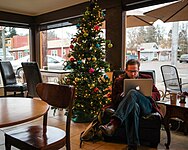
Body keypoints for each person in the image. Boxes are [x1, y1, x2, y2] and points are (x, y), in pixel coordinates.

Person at [99, 59, 163, 150]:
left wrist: (147, 93)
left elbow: (158, 95)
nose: (133, 74)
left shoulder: (147, 78)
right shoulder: (119, 81)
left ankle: (114, 123)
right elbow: (114, 99)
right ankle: (133, 146)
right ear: (126, 70)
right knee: (133, 107)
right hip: (130, 107)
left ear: (138, 70)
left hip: (145, 106)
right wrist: (121, 97)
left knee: (132, 92)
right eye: (130, 71)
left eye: (135, 71)